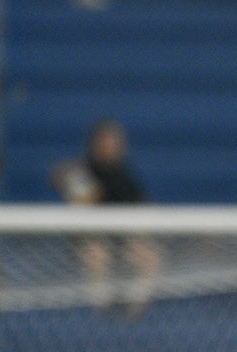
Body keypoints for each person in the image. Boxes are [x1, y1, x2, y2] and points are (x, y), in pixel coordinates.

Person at [50, 119, 160, 316]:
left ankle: (135, 311)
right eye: (106, 142)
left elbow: (142, 209)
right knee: (96, 254)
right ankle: (100, 309)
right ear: (95, 144)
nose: (111, 147)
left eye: (115, 143)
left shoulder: (126, 178)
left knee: (149, 256)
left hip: (123, 240)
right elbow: (72, 191)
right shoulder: (81, 172)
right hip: (91, 241)